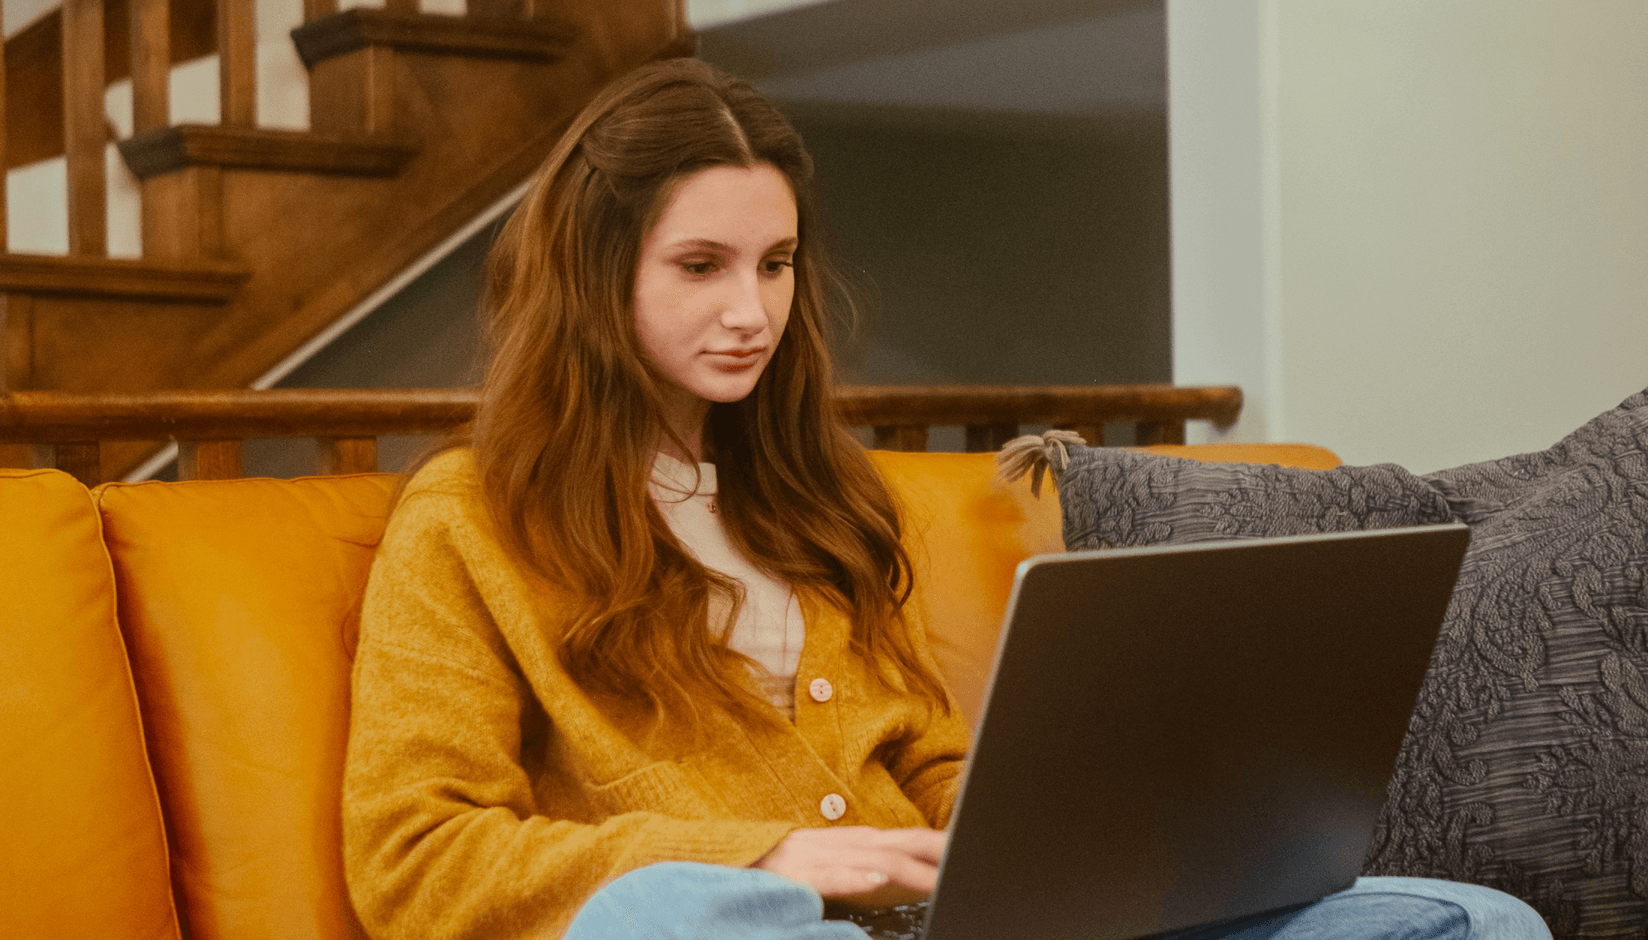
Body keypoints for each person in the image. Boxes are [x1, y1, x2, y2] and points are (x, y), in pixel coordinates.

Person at [340, 59, 1551, 940]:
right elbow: (415, 861)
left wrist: (1061, 844)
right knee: (666, 917)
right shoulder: (467, 523)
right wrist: (776, 855)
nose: (751, 310)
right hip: (752, 930)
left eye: (774, 263)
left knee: (1468, 921)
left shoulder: (818, 502)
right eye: (699, 267)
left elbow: (930, 765)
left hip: (956, 927)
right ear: (594, 278)